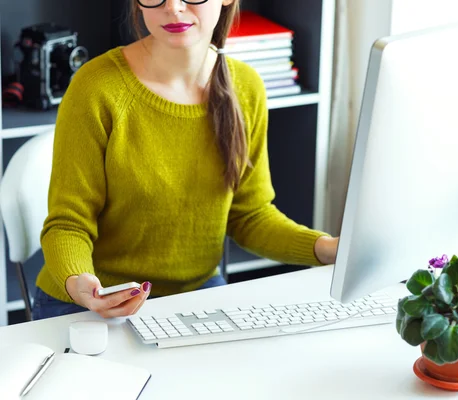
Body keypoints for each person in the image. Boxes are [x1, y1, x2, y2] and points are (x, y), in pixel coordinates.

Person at [32, 0, 339, 320]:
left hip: (194, 294)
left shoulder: (246, 87)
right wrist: (83, 285)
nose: (174, 8)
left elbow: (250, 216)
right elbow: (68, 224)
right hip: (92, 300)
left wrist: (326, 248)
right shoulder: (97, 87)